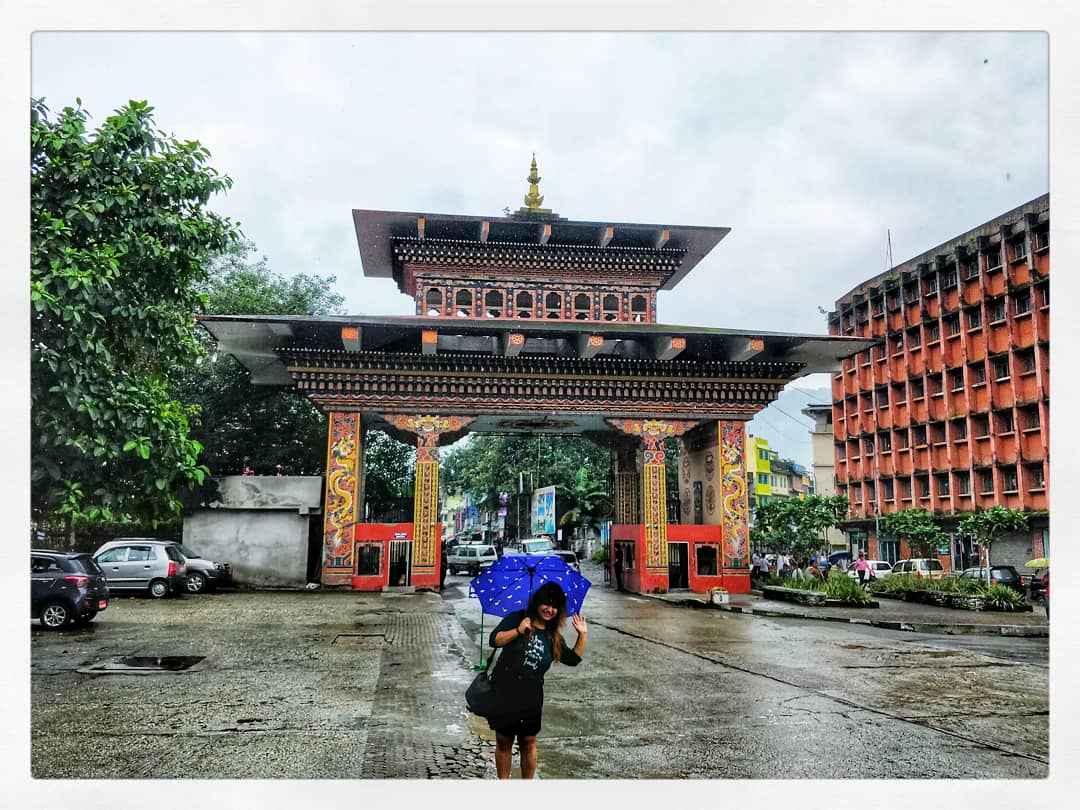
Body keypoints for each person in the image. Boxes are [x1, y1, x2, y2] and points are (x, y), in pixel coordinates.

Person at [487, 583, 587, 779]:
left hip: (531, 695)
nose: (550, 610)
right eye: (546, 604)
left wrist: (582, 634)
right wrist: (518, 631)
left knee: (528, 741)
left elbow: (573, 659)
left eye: (555, 606)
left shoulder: (552, 636)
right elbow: (495, 640)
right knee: (504, 741)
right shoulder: (518, 618)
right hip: (505, 691)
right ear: (537, 603)